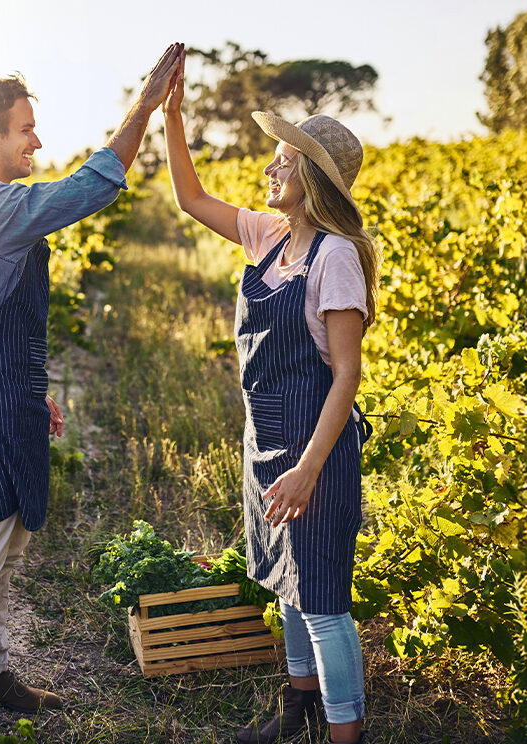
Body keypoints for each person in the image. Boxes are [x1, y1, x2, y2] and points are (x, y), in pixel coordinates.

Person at [0, 43, 185, 713]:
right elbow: (88, 188)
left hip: (5, 390)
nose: (36, 140)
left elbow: (0, 314)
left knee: (4, 545)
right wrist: (143, 107)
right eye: (25, 128)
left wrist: (37, 389)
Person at [162, 52, 378, 744]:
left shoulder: (337, 255)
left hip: (316, 448)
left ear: (311, 176)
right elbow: (191, 200)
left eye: (284, 160)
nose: (270, 169)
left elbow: (346, 374)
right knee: (286, 583)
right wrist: (172, 118)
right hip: (267, 440)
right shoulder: (271, 235)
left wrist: (310, 467)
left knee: (322, 603)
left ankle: (346, 736)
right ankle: (297, 711)